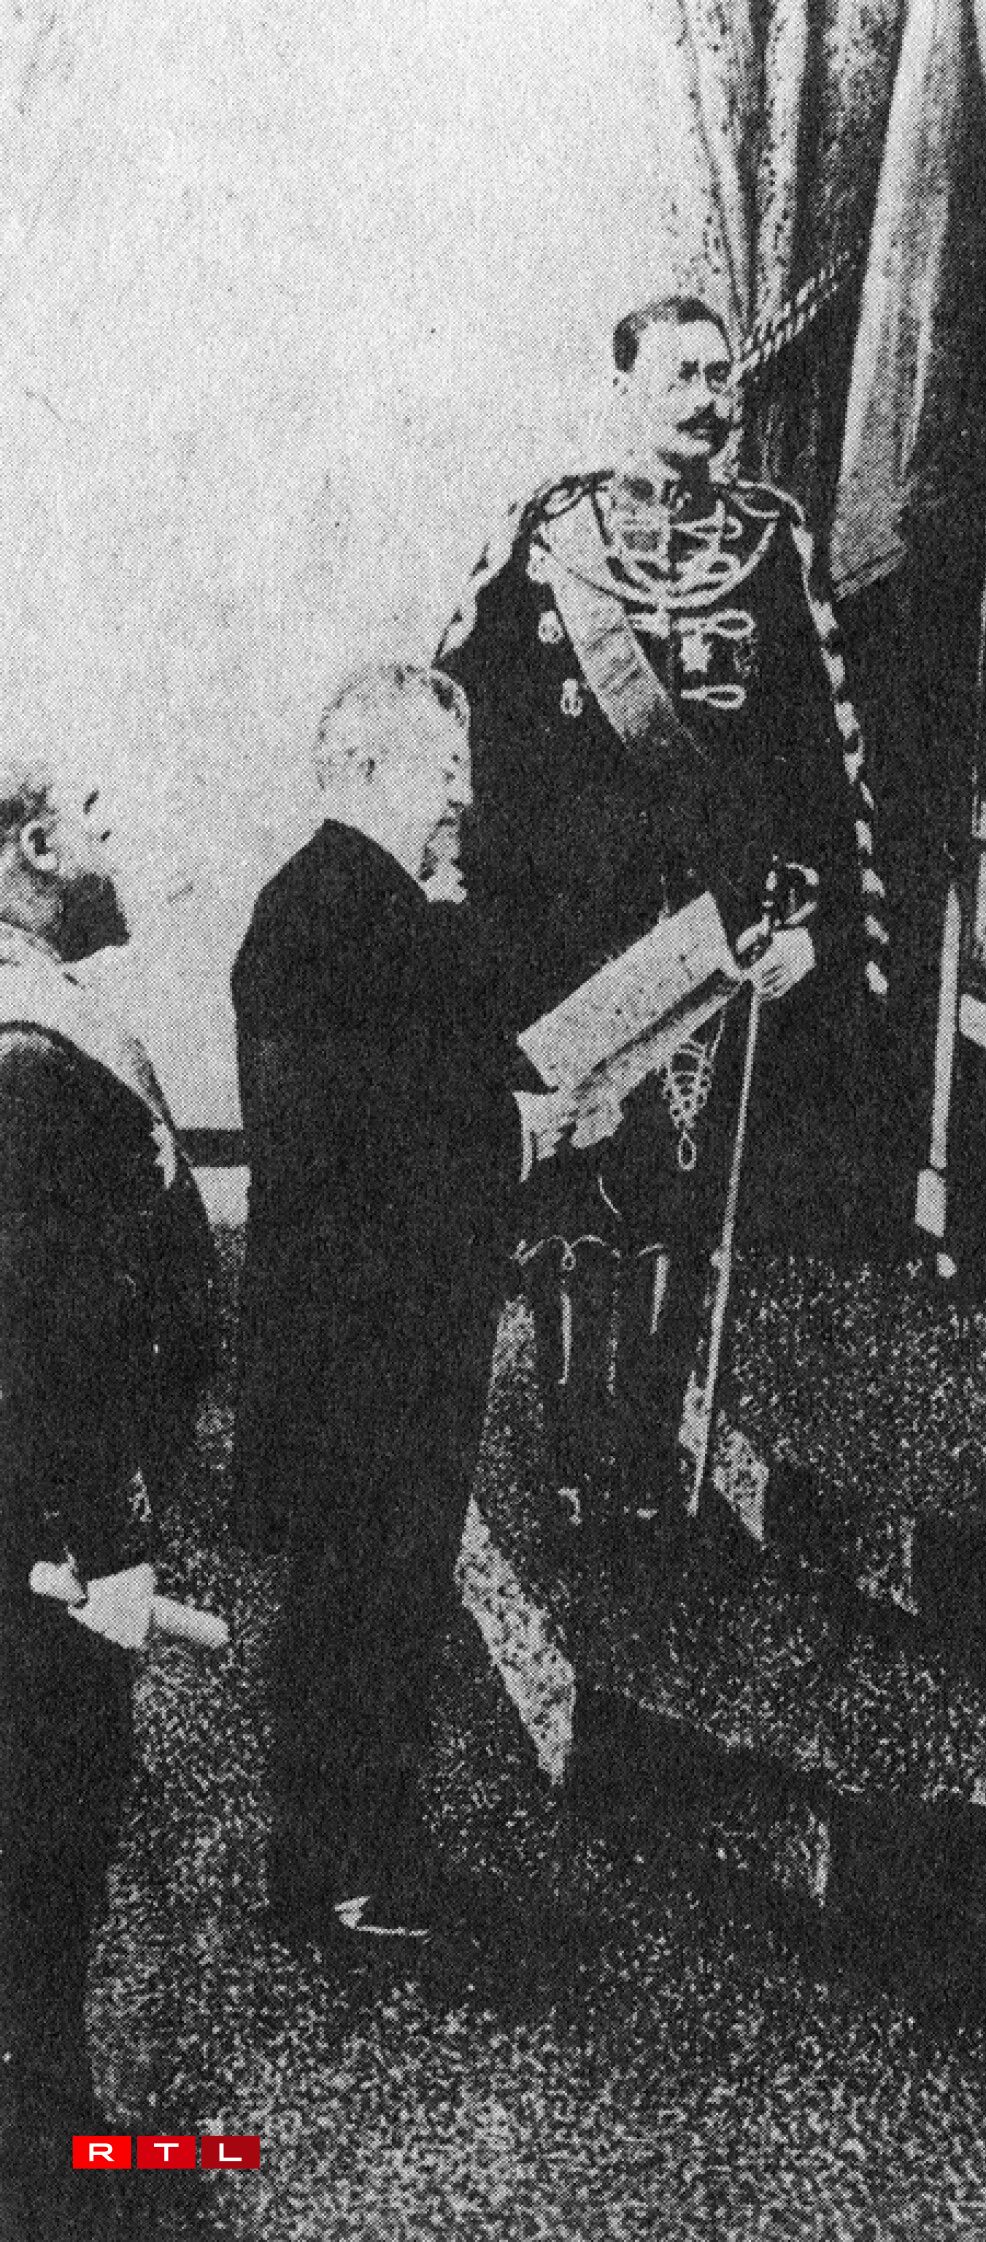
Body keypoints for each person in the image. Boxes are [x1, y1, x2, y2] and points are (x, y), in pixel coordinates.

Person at [436, 295, 888, 1542]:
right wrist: (470, 932)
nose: (710, 396)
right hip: (568, 946)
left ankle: (647, 1467)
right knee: (575, 1202)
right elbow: (459, 739)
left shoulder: (771, 542)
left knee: (685, 1208)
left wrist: (819, 922)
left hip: (717, 946)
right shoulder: (547, 539)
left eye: (723, 376)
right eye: (684, 374)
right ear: (625, 387)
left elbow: (826, 763)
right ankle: (576, 1465)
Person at [231, 663, 558, 1938]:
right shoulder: (332, 912)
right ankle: (340, 1883)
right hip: (363, 1342)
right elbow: (361, 1135)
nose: (462, 798)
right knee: (360, 1604)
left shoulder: (350, 904)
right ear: (366, 772)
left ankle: (355, 1863)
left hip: (376, 1334)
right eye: (440, 771)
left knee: (378, 1597)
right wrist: (520, 1131)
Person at [0, 760, 216, 2238]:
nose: (113, 832)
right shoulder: (29, 1055)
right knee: (53, 1824)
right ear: (26, 850)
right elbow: (43, 1341)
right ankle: (55, 2173)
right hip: (57, 1541)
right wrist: (98, 1543)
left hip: (54, 1526)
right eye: (91, 812)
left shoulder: (44, 1022)